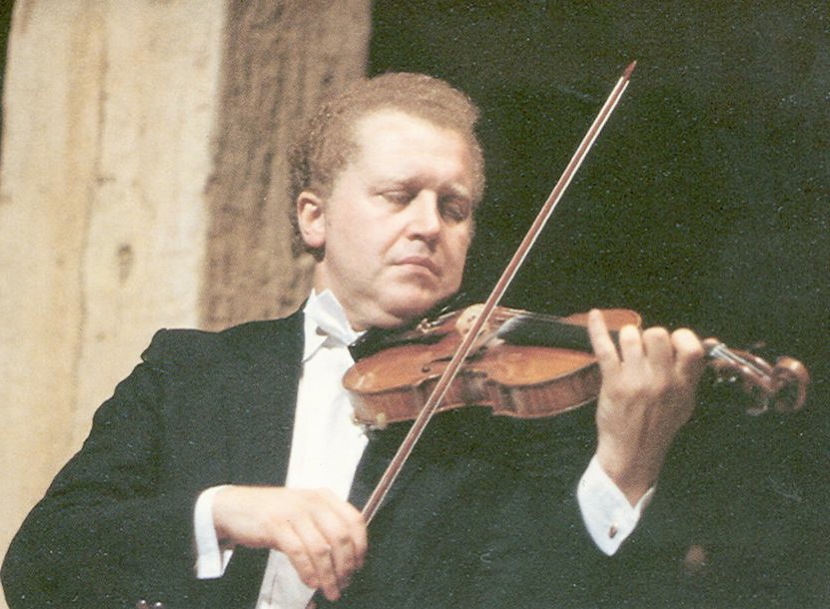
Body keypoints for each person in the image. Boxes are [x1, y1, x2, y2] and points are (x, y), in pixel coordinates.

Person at [1, 73, 705, 609]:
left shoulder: (502, 416)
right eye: (399, 196)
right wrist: (226, 512)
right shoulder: (191, 370)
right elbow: (37, 565)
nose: (429, 225)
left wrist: (624, 465)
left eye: (454, 207)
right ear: (315, 218)